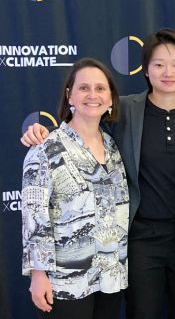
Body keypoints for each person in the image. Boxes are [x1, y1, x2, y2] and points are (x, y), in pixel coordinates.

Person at [21, 29, 175, 319]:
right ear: (146, 69)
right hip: (138, 240)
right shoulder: (127, 110)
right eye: (159, 64)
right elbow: (78, 127)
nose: (168, 72)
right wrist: (39, 134)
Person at [22, 58, 128, 318]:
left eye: (101, 88)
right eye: (84, 88)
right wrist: (38, 274)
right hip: (65, 282)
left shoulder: (113, 147)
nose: (93, 95)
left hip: (110, 276)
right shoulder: (46, 148)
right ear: (69, 95)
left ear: (111, 98)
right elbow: (34, 217)